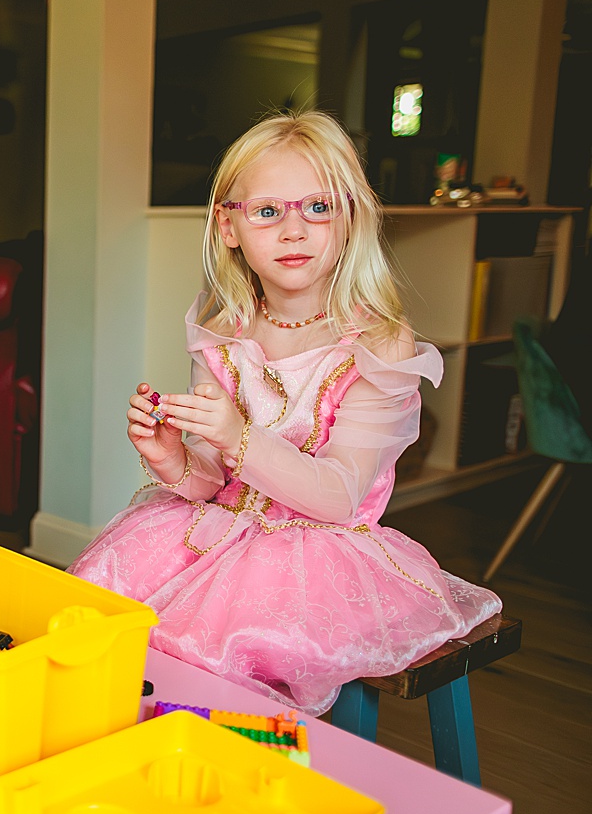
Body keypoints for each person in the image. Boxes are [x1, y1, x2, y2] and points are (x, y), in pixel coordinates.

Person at [68, 111, 501, 716]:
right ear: (229, 227)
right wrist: (172, 458)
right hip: (212, 534)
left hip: (317, 559)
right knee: (108, 636)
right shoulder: (220, 336)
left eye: (318, 208)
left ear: (348, 218)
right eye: (268, 211)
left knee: (225, 665)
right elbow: (217, 484)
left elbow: (339, 496)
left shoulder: (377, 345)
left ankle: (259, 769)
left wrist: (239, 434)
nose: (294, 230)